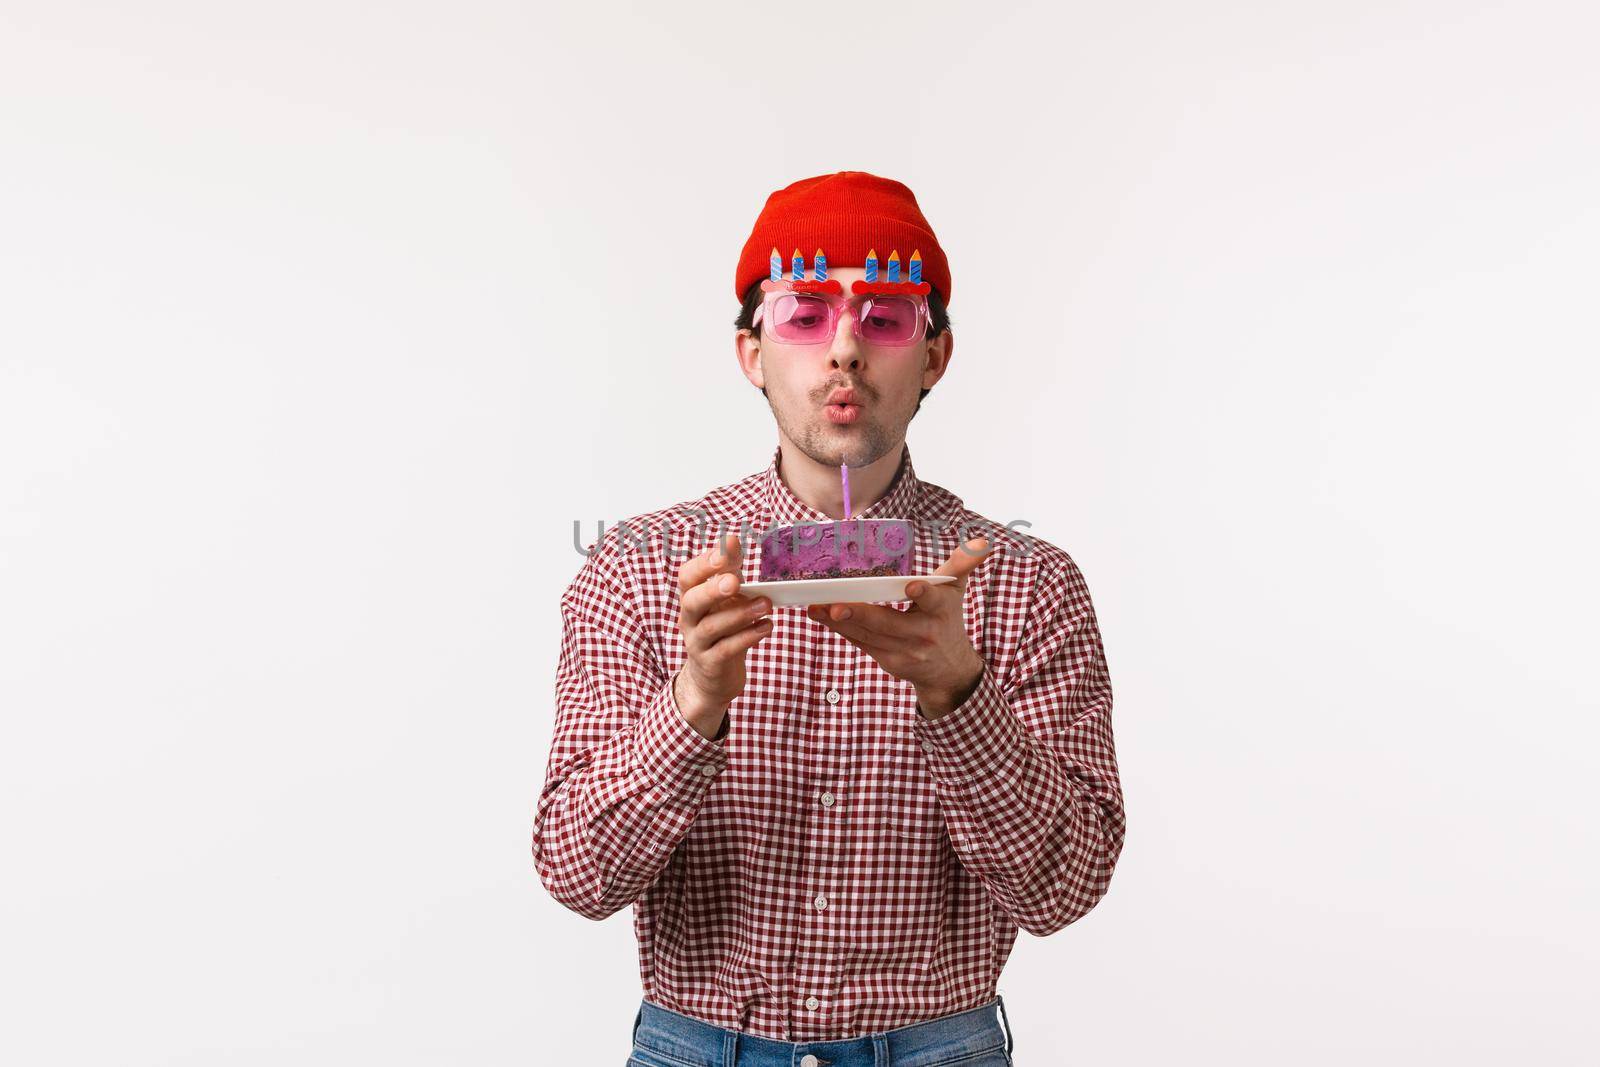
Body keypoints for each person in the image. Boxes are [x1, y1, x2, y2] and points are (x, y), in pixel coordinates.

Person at [533, 171, 1126, 1066]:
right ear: (751, 353)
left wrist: (959, 694)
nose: (843, 348)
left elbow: (1063, 890)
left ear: (932, 357)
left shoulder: (1027, 582)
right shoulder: (640, 568)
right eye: (804, 314)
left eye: (884, 317)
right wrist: (692, 701)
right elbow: (578, 873)